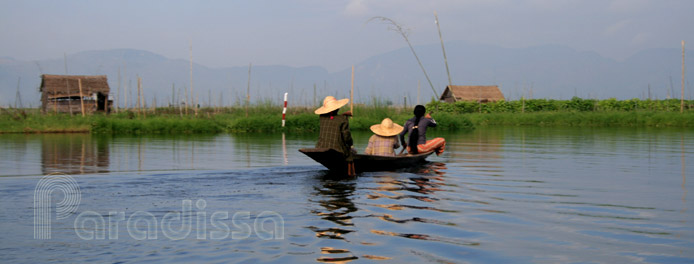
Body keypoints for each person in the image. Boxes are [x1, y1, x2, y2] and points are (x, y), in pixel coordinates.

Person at [314, 96, 356, 176]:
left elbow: (332, 118)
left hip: (320, 147)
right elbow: (347, 137)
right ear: (337, 108)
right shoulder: (342, 119)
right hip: (337, 148)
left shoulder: (321, 117)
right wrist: (350, 145)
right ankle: (351, 174)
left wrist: (343, 115)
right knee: (350, 154)